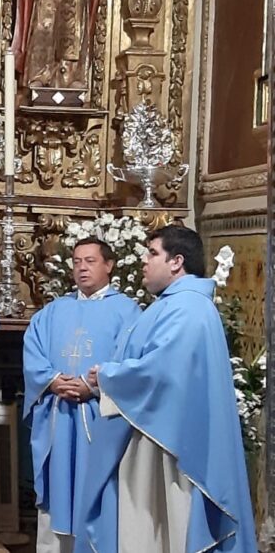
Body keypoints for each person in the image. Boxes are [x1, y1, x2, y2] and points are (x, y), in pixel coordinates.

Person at [81, 226, 257, 553]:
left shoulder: (188, 307)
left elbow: (163, 370)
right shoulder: (175, 303)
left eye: (152, 253)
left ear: (177, 262)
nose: (144, 262)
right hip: (155, 430)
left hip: (166, 444)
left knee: (158, 529)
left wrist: (107, 375)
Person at [23, 238, 140, 553]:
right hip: (58, 416)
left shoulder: (127, 313)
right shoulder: (54, 311)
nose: (82, 268)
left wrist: (94, 386)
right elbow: (33, 350)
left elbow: (132, 362)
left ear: (109, 265)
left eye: (90, 261)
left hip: (98, 416)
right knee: (56, 489)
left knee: (97, 486)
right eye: (76, 262)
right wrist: (53, 380)